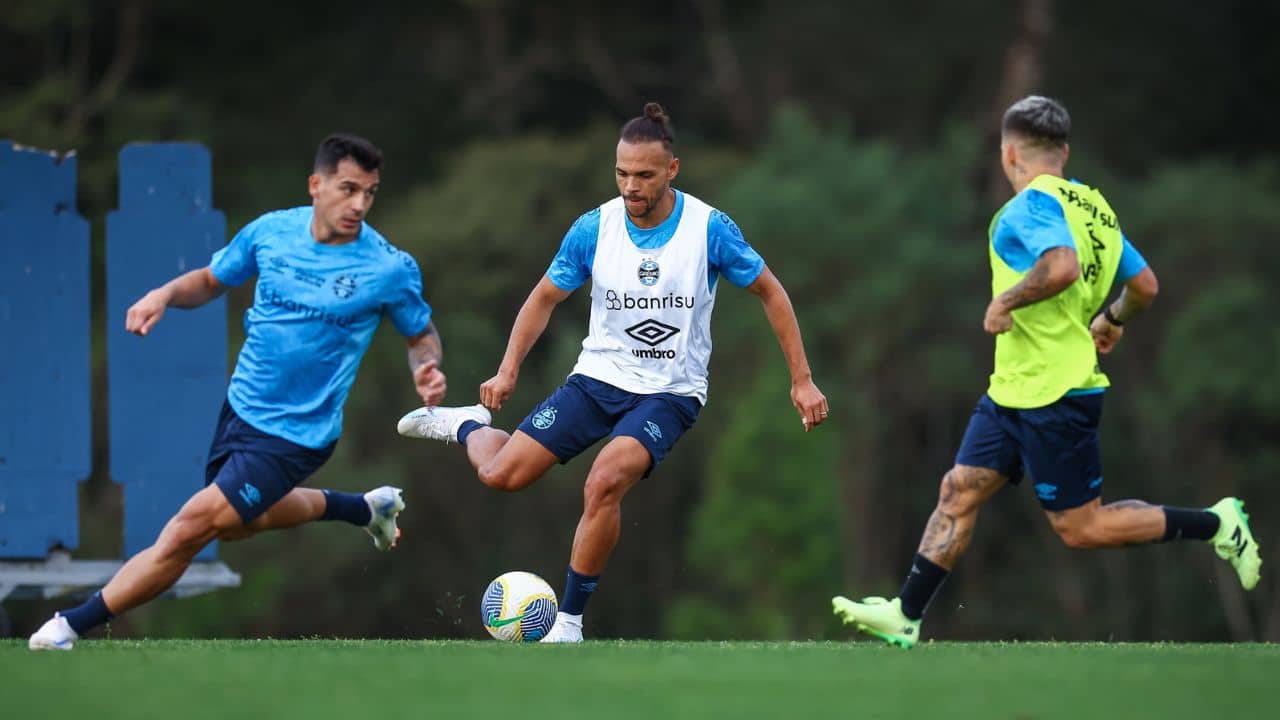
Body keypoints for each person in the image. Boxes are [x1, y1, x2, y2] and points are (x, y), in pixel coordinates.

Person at [831, 95, 1262, 648]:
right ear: (1064, 152)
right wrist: (1111, 319)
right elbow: (1145, 286)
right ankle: (906, 615)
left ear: (1009, 154)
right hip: (1013, 389)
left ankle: (1216, 522)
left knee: (1082, 529)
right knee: (959, 490)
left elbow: (1059, 265)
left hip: (1057, 393)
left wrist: (1005, 301)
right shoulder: (1094, 209)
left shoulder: (1025, 208)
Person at [398, 103, 829, 642]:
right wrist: (507, 371)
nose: (631, 186)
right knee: (501, 476)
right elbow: (544, 298)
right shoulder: (593, 228)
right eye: (622, 173)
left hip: (670, 395)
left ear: (672, 170)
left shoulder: (708, 229)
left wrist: (802, 379)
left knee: (603, 481)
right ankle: (465, 426)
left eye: (645, 175)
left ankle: (570, 623)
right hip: (597, 380)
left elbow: (771, 291)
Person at [29, 133, 445, 650]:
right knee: (235, 526)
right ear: (316, 185)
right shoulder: (270, 233)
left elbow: (420, 335)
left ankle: (70, 624)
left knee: (189, 529)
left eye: (370, 192)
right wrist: (163, 295)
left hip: (299, 434)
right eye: (348, 188)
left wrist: (425, 368)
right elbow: (210, 279)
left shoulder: (387, 267)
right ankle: (364, 509)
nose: (359, 204)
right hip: (241, 412)